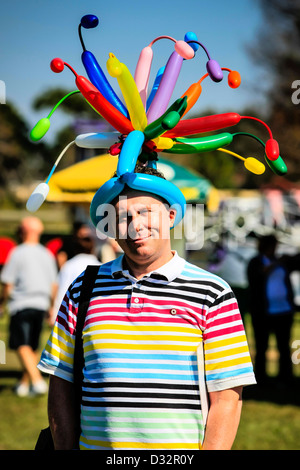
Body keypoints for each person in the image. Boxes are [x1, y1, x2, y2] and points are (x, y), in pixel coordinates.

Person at [38, 165, 256, 450]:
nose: (135, 225)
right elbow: (61, 380)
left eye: (145, 212)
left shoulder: (212, 292)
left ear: (171, 216)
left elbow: (227, 397)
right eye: (122, 217)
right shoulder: (83, 289)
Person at [0, 216, 57, 396]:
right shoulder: (46, 253)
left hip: (21, 304)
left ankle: (37, 381)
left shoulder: (18, 252)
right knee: (32, 346)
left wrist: (2, 303)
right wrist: (51, 307)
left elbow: (7, 282)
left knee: (21, 344)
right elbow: (53, 284)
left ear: (22, 232)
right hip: (41, 304)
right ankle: (24, 385)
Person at [247, 234, 298, 385]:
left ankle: (286, 378)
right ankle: (261, 379)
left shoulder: (282, 261)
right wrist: (275, 264)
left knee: (284, 346)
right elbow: (256, 277)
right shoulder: (255, 262)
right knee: (261, 346)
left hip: (283, 310)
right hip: (263, 311)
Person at [51, 222, 100, 324]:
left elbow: (61, 288)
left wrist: (55, 311)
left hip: (71, 312)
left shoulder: (69, 266)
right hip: (93, 312)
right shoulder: (99, 266)